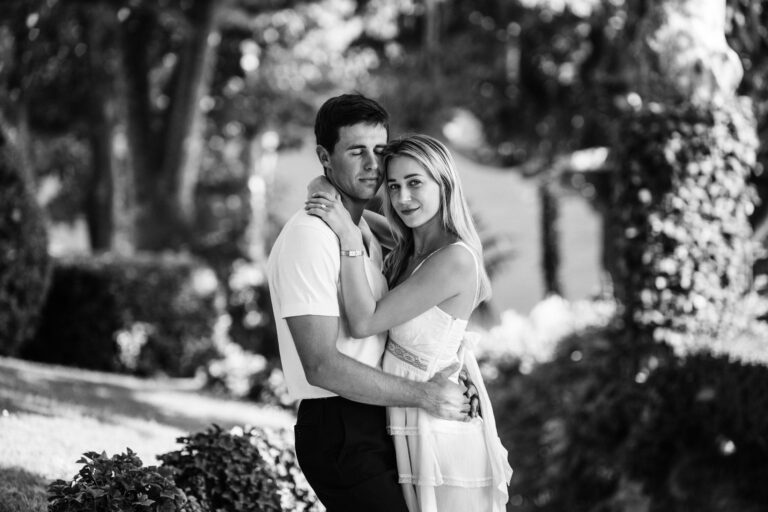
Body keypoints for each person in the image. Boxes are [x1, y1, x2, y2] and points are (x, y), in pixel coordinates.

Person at [266, 94, 474, 512]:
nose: (373, 166)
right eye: (356, 151)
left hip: (382, 418)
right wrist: (425, 395)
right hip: (340, 426)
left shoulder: (361, 233)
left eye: (379, 151)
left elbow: (421, 255)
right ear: (324, 156)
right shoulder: (311, 238)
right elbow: (321, 365)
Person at [305, 133, 513, 512]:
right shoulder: (408, 247)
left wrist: (349, 237)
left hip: (439, 430)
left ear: (443, 184)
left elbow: (364, 322)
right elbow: (329, 192)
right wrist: (330, 195)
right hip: (405, 417)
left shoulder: (454, 259)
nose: (403, 198)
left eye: (415, 183)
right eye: (394, 185)